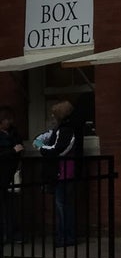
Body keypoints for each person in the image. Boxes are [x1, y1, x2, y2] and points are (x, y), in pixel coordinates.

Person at [36, 100, 83, 246]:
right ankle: (66, 235)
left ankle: (66, 236)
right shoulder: (69, 128)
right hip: (64, 171)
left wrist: (41, 147)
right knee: (64, 205)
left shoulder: (67, 129)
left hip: (64, 172)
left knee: (62, 205)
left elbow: (59, 150)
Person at [0, 107, 24, 241]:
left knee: (11, 205)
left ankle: (13, 233)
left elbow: (19, 145)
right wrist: (12, 151)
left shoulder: (13, 132)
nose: (9, 122)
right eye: (6, 119)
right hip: (2, 172)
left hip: (11, 172)